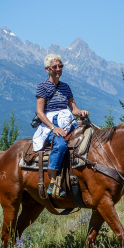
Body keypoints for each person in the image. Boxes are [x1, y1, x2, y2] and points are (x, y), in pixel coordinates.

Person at [32, 53, 88, 196]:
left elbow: (73, 109)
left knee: (88, 135)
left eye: (60, 66)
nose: (58, 69)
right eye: (55, 67)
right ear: (47, 69)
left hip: (67, 119)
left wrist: (81, 112)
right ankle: (53, 180)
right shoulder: (42, 87)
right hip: (51, 122)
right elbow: (39, 112)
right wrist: (53, 128)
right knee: (61, 145)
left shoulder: (66, 87)